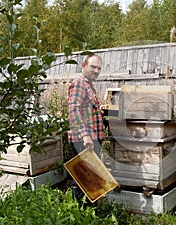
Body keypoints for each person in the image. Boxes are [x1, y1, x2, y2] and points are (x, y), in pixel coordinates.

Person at [67, 54, 105, 198]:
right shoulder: (79, 83)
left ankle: (89, 212)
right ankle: (81, 215)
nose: (96, 71)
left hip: (91, 139)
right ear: (84, 66)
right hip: (83, 140)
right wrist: (85, 135)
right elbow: (73, 110)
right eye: (93, 67)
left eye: (99, 68)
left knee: (90, 178)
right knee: (83, 180)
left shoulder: (89, 85)